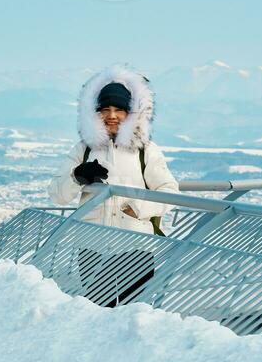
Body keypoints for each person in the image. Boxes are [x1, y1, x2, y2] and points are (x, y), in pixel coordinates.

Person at [49, 67, 180, 305]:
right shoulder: (84, 149)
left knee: (134, 315)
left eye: (119, 109)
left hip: (136, 248)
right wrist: (77, 176)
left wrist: (139, 207)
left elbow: (170, 192)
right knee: (99, 316)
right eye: (105, 109)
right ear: (95, 114)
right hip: (92, 249)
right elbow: (57, 195)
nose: (112, 115)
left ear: (131, 114)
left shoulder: (145, 151)